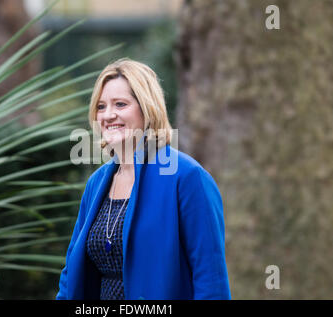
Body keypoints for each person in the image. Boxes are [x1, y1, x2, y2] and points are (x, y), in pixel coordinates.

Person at [56, 58, 231, 300]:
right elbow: (70, 277)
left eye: (120, 104)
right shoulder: (96, 184)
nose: (108, 115)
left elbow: (211, 280)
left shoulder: (187, 177)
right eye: (101, 106)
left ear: (147, 108)